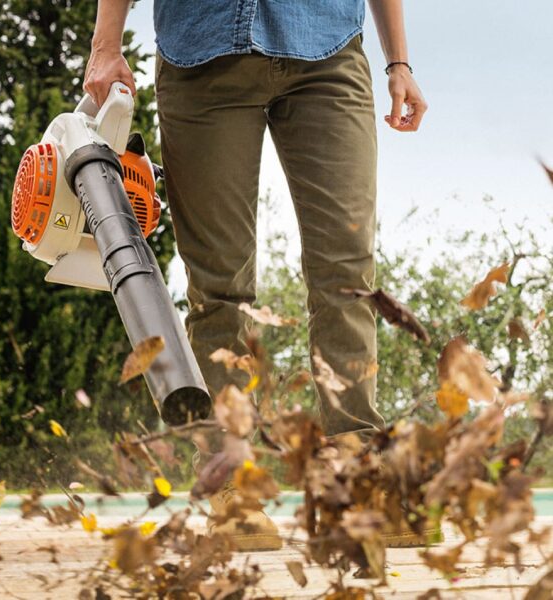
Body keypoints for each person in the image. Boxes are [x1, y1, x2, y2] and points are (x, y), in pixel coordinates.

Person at [85, 0, 429, 551]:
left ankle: (361, 470)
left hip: (327, 50)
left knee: (347, 272)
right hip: (201, 52)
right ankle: (232, 477)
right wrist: (106, 46)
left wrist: (399, 62)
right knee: (220, 283)